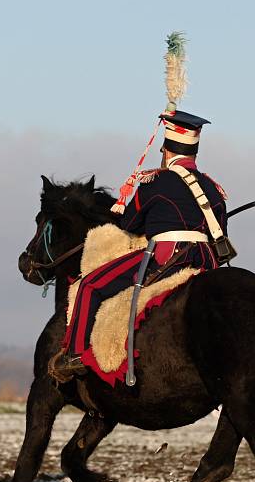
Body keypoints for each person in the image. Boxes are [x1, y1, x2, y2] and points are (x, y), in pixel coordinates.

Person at [53, 109, 229, 379]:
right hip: (208, 262)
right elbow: (221, 234)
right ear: (194, 151)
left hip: (168, 258)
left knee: (89, 285)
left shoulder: (155, 182)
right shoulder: (214, 188)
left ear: (166, 151)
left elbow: (130, 224)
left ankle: (74, 356)